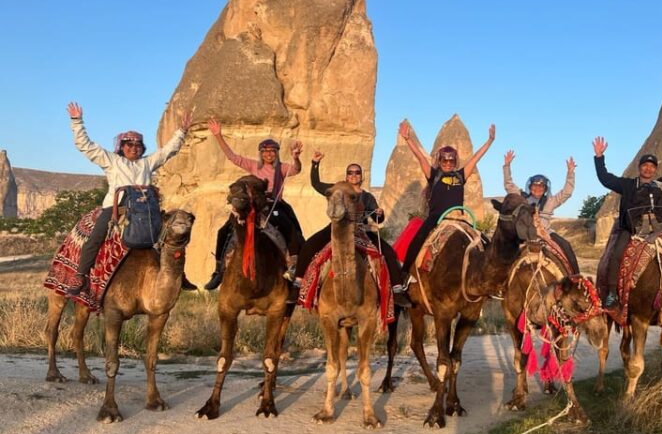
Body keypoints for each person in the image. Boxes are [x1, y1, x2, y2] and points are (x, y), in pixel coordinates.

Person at [65, 101, 192, 295]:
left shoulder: (147, 163)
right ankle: (80, 276)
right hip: (117, 209)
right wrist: (77, 121)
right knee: (95, 238)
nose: (134, 148)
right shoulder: (112, 161)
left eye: (138, 145)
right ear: (122, 147)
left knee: (174, 233)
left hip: (145, 210)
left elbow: (168, 151)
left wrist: (181, 132)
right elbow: (85, 146)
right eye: (129, 145)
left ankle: (179, 275)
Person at [290, 152, 411, 307]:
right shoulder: (337, 189)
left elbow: (377, 219)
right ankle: (297, 285)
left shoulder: (367, 197)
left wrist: (379, 213)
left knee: (388, 252)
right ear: (346, 176)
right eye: (350, 172)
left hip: (361, 230)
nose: (354, 175)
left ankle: (397, 290)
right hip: (336, 228)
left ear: (361, 176)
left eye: (357, 172)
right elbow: (316, 184)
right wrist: (315, 163)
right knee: (309, 246)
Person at [205, 119, 304, 290]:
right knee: (224, 231)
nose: (269, 154)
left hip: (274, 204)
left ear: (277, 153)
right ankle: (219, 270)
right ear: (260, 153)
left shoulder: (281, 168)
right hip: (254, 205)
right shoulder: (253, 166)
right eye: (265, 151)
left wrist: (296, 158)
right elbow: (232, 157)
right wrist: (218, 136)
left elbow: (296, 169)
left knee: (293, 229)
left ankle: (294, 268)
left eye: (272, 151)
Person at [593, 129, 662, 310]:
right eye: (645, 165)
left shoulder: (661, 185)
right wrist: (599, 157)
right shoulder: (627, 185)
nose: (648, 168)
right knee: (616, 255)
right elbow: (605, 179)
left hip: (661, 229)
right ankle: (612, 293)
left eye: (652, 166)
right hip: (633, 230)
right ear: (639, 167)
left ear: (655, 169)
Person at [399, 120, 495, 279]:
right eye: (445, 160)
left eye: (451, 161)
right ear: (440, 161)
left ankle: (488, 280)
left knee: (485, 242)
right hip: (436, 218)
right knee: (419, 239)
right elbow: (420, 158)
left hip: (459, 218)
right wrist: (408, 139)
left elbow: (475, 158)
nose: (448, 164)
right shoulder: (434, 175)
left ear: (455, 162)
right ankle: (404, 274)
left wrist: (490, 141)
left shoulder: (461, 175)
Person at [503, 151, 580, 273]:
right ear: (530, 187)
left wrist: (570, 173)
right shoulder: (522, 198)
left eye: (541, 186)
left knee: (566, 245)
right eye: (535, 185)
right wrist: (507, 166)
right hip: (524, 234)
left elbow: (566, 193)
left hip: (546, 234)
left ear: (545, 189)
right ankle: (500, 280)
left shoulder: (551, 201)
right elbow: (509, 185)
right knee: (504, 250)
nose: (537, 188)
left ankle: (575, 278)